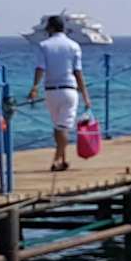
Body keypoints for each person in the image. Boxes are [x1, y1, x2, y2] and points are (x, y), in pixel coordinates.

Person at [27, 14, 88, 171]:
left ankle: (62, 159)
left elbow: (40, 68)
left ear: (51, 28)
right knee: (62, 128)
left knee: (58, 127)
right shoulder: (74, 46)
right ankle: (57, 160)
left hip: (51, 91)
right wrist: (85, 95)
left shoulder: (44, 45)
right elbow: (78, 72)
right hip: (69, 90)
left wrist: (35, 86)